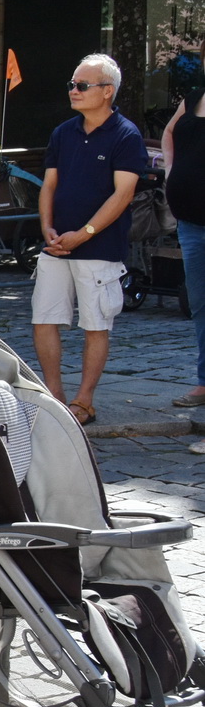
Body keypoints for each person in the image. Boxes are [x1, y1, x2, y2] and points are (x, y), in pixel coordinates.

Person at [32, 55, 145, 427]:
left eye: (82, 85)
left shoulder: (126, 135)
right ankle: (54, 396)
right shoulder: (63, 132)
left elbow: (122, 194)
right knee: (44, 319)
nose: (73, 91)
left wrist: (84, 234)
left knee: (96, 324)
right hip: (55, 246)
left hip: (99, 249)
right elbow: (49, 184)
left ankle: (84, 400)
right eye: (72, 84)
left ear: (107, 91)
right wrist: (47, 227)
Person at [160, 82, 205, 446]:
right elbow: (170, 133)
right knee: (200, 302)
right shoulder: (193, 96)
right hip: (191, 221)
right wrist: (172, 170)